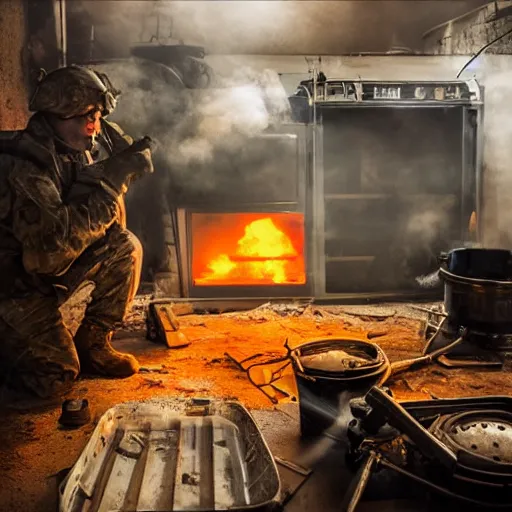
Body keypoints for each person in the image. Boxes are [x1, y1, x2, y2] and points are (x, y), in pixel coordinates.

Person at [0, 65, 155, 402]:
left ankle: (93, 343)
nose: (94, 126)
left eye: (98, 115)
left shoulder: (70, 150)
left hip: (38, 279)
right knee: (55, 378)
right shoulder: (27, 168)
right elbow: (49, 255)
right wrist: (108, 185)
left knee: (123, 247)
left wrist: (115, 167)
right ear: (57, 115)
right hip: (13, 289)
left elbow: (103, 229)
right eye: (87, 116)